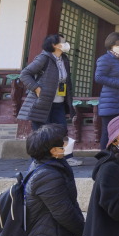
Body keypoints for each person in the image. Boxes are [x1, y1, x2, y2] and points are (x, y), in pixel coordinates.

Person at [16, 124, 85, 236]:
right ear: (54, 151)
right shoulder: (47, 175)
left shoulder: (52, 166)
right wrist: (88, 232)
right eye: (65, 140)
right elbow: (65, 213)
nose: (70, 142)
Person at [17, 33, 81, 166]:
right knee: (41, 133)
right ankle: (38, 161)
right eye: (63, 41)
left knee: (62, 130)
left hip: (58, 102)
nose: (65, 43)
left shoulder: (64, 59)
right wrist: (37, 89)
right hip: (42, 102)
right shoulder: (44, 58)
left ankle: (66, 157)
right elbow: (25, 74)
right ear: (54, 45)